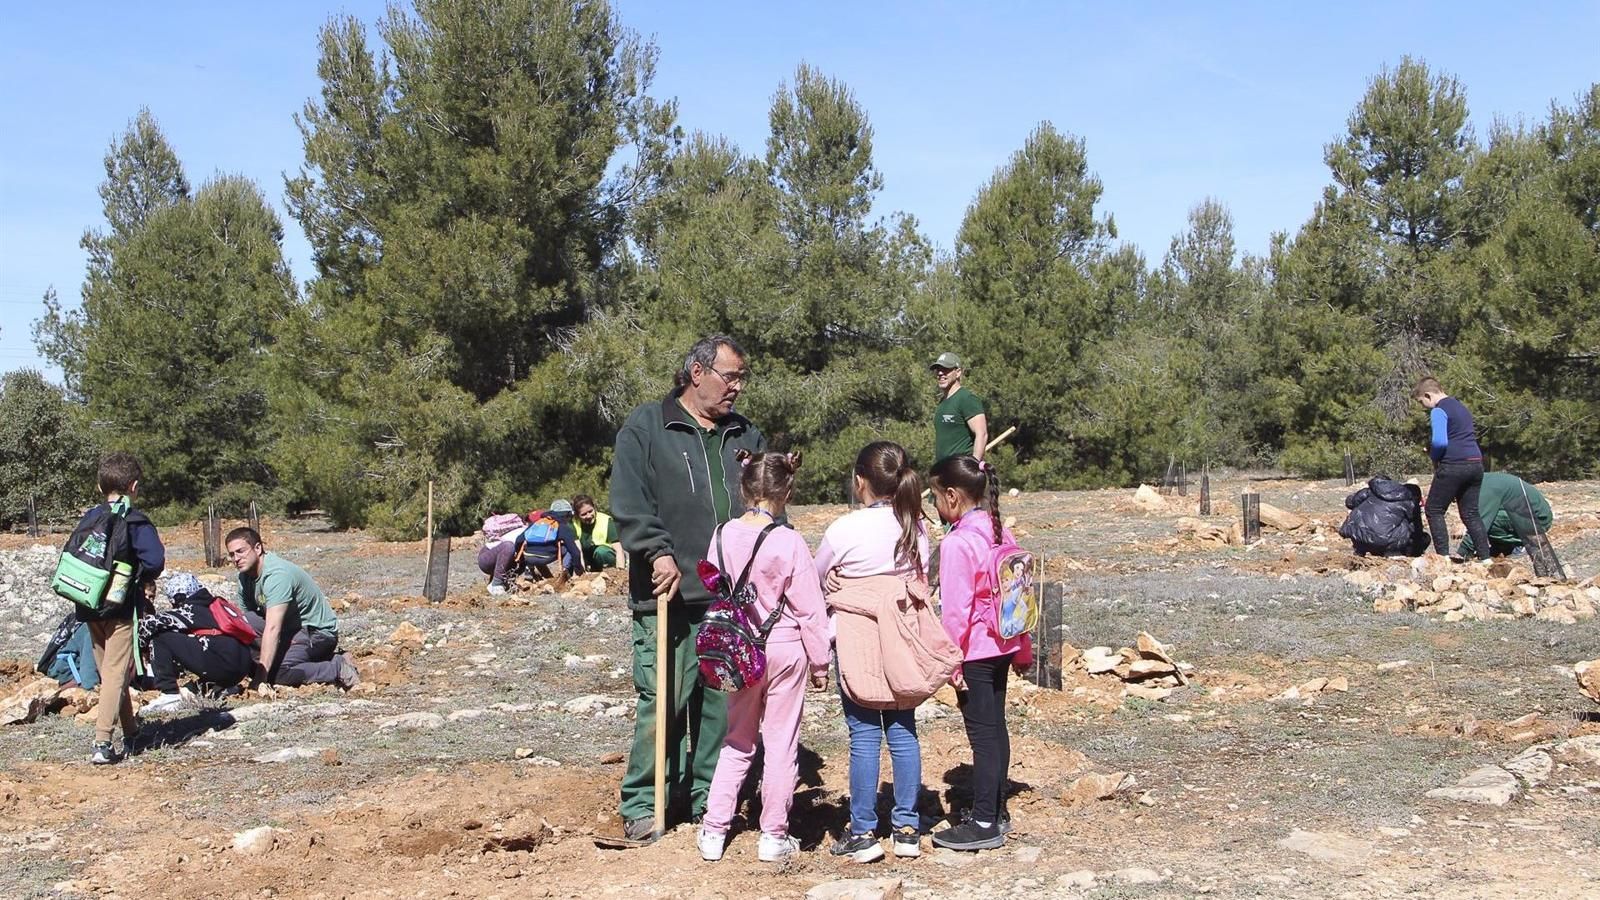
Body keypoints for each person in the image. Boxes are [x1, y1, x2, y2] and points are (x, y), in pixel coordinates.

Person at [607, 334, 769, 846]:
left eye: (742, 378)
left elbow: (768, 504)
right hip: (667, 594)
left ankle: (710, 801)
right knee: (664, 701)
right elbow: (630, 501)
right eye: (730, 377)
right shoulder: (647, 427)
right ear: (697, 373)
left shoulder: (746, 435)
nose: (737, 388)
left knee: (722, 705)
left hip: (730, 598)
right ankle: (646, 802)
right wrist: (657, 551)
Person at [815, 441, 947, 863]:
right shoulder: (914, 525)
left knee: (864, 735)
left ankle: (863, 831)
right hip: (902, 639)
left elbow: (817, 576)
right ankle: (907, 828)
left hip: (858, 640)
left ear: (860, 481)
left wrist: (838, 585)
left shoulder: (844, 529)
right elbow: (919, 579)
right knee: (904, 729)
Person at [696, 451, 830, 864]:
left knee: (737, 739)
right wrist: (821, 662)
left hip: (739, 650)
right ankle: (773, 834)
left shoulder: (721, 535)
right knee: (780, 742)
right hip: (785, 648)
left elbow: (714, 585)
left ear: (743, 489)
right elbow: (810, 609)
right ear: (786, 492)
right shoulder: (788, 541)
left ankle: (714, 829)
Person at [928, 455, 1032, 851]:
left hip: (974, 651)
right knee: (995, 728)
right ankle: (997, 810)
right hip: (1003, 644)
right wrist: (1022, 650)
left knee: (982, 735)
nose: (935, 505)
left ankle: (984, 821)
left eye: (935, 497)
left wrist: (949, 660)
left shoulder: (957, 543)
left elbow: (956, 612)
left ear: (952, 496)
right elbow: (1020, 594)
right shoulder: (999, 530)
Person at [73, 452, 165, 765]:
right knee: (115, 671)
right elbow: (154, 561)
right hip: (121, 606)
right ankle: (102, 743)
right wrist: (138, 576)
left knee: (111, 671)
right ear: (134, 486)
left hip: (88, 602)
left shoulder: (90, 517)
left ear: (101, 487)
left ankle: (132, 731)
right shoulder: (135, 520)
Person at [224, 527, 358, 690]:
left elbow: (273, 628)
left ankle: (337, 666)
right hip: (288, 630)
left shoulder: (277, 575)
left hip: (316, 632)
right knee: (245, 625)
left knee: (278, 673)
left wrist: (261, 676)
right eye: (232, 554)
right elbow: (247, 624)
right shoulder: (244, 578)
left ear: (257, 548)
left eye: (241, 551)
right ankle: (291, 659)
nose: (236, 558)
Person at [139, 574, 255, 712]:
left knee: (160, 638)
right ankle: (222, 686)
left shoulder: (190, 608)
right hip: (241, 666)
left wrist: (142, 650)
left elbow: (149, 625)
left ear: (178, 597)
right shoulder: (212, 604)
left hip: (224, 664)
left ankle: (169, 694)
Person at [1414, 378, 1492, 562]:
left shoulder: (1439, 410)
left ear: (1428, 395)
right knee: (1470, 513)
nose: (1424, 407)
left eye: (1421, 402)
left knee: (1434, 509)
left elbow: (1440, 442)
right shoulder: (1461, 407)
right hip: (1475, 464)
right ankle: (1485, 559)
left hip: (1453, 465)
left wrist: (1433, 456)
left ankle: (1443, 559)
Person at [1458, 472, 1554, 559]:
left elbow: (1480, 523)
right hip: (1528, 516)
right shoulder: (1482, 481)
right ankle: (1503, 547)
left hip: (1538, 520)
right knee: (1484, 519)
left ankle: (1522, 544)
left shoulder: (1486, 488)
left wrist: (1463, 552)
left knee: (1486, 522)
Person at [1338, 475, 1430, 557]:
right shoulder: (1409, 501)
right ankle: (1401, 552)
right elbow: (1417, 530)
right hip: (1382, 541)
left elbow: (1349, 502)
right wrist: (1418, 547)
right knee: (1413, 529)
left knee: (1365, 516)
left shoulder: (1371, 491)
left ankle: (1362, 549)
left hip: (1356, 534)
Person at [930, 352, 988, 464]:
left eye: (945, 369)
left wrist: (973, 465)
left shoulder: (967, 399)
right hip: (942, 469)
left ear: (958, 372)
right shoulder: (942, 402)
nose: (940, 373)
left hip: (961, 469)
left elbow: (982, 434)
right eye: (938, 370)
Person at [515, 500, 583, 584]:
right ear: (567, 515)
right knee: (568, 549)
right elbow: (575, 552)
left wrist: (522, 560)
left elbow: (518, 540)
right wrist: (579, 571)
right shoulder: (562, 527)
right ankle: (565, 572)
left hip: (528, 557)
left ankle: (535, 572)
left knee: (538, 551)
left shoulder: (537, 523)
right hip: (546, 557)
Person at [478, 512, 527, 595]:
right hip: (487, 558)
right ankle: (496, 584)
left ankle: (500, 583)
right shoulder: (526, 533)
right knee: (509, 546)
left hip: (498, 555)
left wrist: (548, 578)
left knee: (521, 558)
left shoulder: (526, 531)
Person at [572, 494, 622, 571]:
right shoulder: (573, 523)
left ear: (594, 508)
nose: (588, 516)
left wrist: (621, 570)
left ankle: (610, 571)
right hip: (586, 558)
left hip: (604, 557)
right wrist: (582, 572)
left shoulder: (606, 520)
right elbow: (578, 551)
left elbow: (618, 549)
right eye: (583, 514)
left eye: (590, 511)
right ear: (577, 515)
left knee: (601, 552)